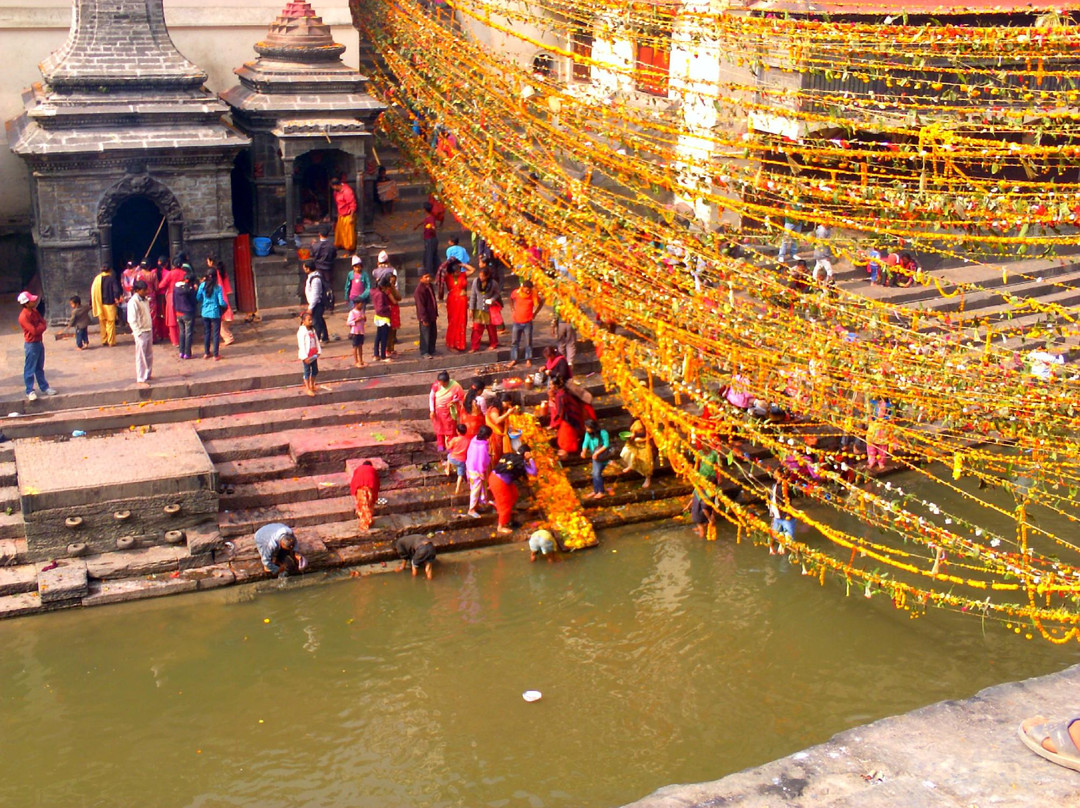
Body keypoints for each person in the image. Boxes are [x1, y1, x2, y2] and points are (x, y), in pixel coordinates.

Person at [488, 444, 537, 534]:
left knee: (514, 494)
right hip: (499, 483)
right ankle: (501, 526)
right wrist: (530, 459)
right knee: (505, 504)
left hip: (494, 477)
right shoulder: (521, 462)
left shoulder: (510, 455)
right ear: (526, 453)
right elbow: (534, 472)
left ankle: (505, 509)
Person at [17, 291, 55, 401]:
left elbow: (43, 323)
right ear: (26, 303)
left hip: (38, 342)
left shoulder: (34, 311)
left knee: (39, 368)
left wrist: (39, 326)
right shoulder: (23, 317)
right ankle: (29, 390)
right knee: (30, 368)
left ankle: (44, 387)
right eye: (31, 300)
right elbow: (34, 331)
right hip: (31, 344)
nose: (34, 301)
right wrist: (40, 327)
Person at [548, 376, 590, 459]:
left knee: (566, 436)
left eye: (551, 385)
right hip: (573, 415)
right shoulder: (563, 391)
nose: (550, 386)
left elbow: (560, 412)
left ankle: (567, 450)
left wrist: (554, 424)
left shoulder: (560, 396)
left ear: (556, 386)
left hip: (570, 418)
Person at [509, 279, 544, 367]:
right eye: (526, 289)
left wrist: (535, 313)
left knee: (528, 342)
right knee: (514, 342)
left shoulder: (534, 295)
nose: (528, 291)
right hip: (517, 321)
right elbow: (510, 298)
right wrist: (512, 309)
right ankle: (514, 359)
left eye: (529, 290)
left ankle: (528, 359)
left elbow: (540, 303)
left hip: (527, 322)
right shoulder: (516, 293)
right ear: (523, 287)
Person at [430, 371, 464, 452]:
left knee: (450, 429)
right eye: (440, 383)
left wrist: (453, 401)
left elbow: (461, 396)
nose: (441, 385)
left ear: (447, 382)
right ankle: (440, 444)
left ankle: (450, 445)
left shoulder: (455, 386)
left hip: (450, 410)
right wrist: (432, 410)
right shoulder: (436, 385)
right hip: (438, 411)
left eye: (443, 384)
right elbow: (431, 397)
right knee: (439, 428)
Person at [197, 270, 227, 360]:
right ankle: (216, 355)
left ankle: (206, 353)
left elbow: (198, 297)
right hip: (215, 312)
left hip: (205, 312)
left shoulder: (202, 286)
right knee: (216, 333)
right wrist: (225, 305)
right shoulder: (218, 288)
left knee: (207, 332)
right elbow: (221, 302)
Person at [469, 266, 500, 352]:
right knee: (476, 328)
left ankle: (493, 343)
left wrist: (492, 300)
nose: (481, 278)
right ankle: (474, 346)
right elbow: (473, 296)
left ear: (487, 276)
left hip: (489, 309)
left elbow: (497, 294)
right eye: (480, 276)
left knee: (491, 329)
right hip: (478, 309)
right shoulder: (476, 282)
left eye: (483, 276)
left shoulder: (493, 283)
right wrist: (471, 309)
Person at [128, 279, 153, 385]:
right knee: (140, 356)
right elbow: (132, 319)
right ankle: (141, 377)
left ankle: (148, 373)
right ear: (137, 290)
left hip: (148, 329)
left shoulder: (145, 299)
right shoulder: (133, 302)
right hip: (141, 332)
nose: (146, 292)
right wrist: (137, 332)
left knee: (148, 355)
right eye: (144, 290)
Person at [444, 260, 472, 351]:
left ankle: (460, 344)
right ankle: (451, 343)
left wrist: (463, 264)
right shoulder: (447, 277)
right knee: (453, 321)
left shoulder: (463, 275)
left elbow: (473, 270)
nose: (458, 273)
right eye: (456, 271)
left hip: (462, 301)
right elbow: (439, 275)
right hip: (452, 301)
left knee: (462, 321)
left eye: (459, 270)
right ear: (452, 272)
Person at [466, 424, 493, 518]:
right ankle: (471, 509)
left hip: (470, 467)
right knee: (475, 490)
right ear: (487, 436)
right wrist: (482, 472)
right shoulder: (482, 447)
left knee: (477, 488)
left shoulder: (474, 440)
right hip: (477, 471)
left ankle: (476, 506)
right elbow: (482, 461)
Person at [580, 418, 612, 498]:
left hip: (602, 456)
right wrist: (583, 451)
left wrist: (597, 453)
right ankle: (596, 490)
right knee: (595, 474)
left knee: (597, 474)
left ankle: (601, 491)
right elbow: (585, 442)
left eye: (588, 428)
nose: (586, 429)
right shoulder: (588, 434)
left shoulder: (603, 433)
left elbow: (606, 445)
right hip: (595, 456)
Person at [90, 265, 121, 346]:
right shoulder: (112, 279)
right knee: (110, 323)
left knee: (102, 323)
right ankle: (111, 341)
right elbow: (116, 290)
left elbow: (92, 291)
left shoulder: (97, 279)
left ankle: (104, 340)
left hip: (100, 304)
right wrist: (116, 298)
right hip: (109, 304)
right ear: (110, 270)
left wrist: (91, 303)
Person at [158, 260, 186, 347]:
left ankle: (175, 341)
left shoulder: (170, 273)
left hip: (171, 296)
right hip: (183, 296)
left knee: (172, 319)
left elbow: (161, 285)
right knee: (183, 318)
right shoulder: (184, 273)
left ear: (173, 265)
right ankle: (184, 339)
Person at [309, 225, 337, 314]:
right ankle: (330, 304)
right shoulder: (332, 246)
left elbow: (311, 254)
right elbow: (334, 255)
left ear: (319, 234)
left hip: (319, 268)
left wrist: (312, 245)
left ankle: (322, 304)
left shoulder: (316, 245)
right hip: (329, 268)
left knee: (319, 287)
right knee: (329, 286)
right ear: (328, 234)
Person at [620, 419, 654, 488]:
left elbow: (651, 434)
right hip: (634, 443)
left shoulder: (647, 420)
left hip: (645, 444)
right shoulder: (633, 419)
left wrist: (641, 439)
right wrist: (631, 436)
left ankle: (648, 478)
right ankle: (631, 465)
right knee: (626, 452)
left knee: (646, 463)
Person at [349, 460, 380, 533]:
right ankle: (367, 522)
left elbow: (353, 481)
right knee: (369, 504)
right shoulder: (373, 469)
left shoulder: (358, 469)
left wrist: (354, 493)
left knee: (362, 506)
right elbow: (377, 483)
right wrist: (375, 496)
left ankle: (365, 524)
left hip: (359, 489)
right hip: (369, 489)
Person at [173, 270, 198, 360]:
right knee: (188, 333)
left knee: (181, 333)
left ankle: (181, 352)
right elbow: (194, 301)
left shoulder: (176, 287)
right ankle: (187, 353)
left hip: (178, 312)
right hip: (188, 313)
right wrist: (194, 291)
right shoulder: (190, 290)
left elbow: (174, 300)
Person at [485, 393, 515, 464]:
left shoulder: (501, 408)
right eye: (507, 403)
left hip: (500, 434)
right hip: (494, 435)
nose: (508, 405)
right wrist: (507, 413)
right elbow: (497, 420)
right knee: (496, 454)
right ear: (502, 401)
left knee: (500, 453)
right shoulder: (494, 409)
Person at [414, 271, 438, 358]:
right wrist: (423, 318)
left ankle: (432, 349)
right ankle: (424, 351)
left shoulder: (430, 286)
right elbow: (420, 306)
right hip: (425, 316)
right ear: (420, 279)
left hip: (432, 314)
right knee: (425, 334)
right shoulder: (419, 290)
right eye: (425, 277)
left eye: (428, 276)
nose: (428, 279)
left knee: (433, 333)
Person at [330, 177, 357, 254]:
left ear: (336, 185)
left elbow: (352, 204)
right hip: (341, 214)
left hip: (348, 215)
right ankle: (341, 245)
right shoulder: (336, 192)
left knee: (348, 233)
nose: (333, 188)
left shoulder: (347, 191)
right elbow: (337, 203)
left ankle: (350, 248)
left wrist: (351, 217)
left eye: (333, 187)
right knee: (340, 232)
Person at [297, 310, 321, 397]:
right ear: (303, 321)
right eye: (309, 320)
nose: (311, 322)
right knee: (307, 371)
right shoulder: (301, 332)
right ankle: (308, 388)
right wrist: (304, 357)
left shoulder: (312, 330)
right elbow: (301, 345)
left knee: (315, 370)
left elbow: (316, 340)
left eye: (311, 320)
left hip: (313, 354)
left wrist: (319, 351)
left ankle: (312, 384)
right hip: (306, 356)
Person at [370, 277, 393, 362]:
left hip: (378, 317)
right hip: (383, 317)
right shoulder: (381, 294)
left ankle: (376, 354)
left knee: (378, 336)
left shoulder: (374, 292)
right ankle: (383, 356)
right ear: (383, 287)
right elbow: (380, 308)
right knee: (384, 337)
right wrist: (388, 307)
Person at [414, 201, 439, 277]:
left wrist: (432, 228)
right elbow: (424, 221)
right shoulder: (429, 217)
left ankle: (430, 273)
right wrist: (418, 225)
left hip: (430, 240)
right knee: (432, 255)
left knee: (429, 256)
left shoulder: (430, 219)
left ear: (425, 209)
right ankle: (437, 270)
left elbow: (433, 227)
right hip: (431, 239)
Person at [444, 423, 469, 497]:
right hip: (462, 460)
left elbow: (448, 447)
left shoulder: (455, 439)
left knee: (449, 456)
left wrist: (446, 440)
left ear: (457, 431)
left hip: (453, 458)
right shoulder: (468, 440)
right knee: (460, 475)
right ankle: (457, 489)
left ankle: (448, 470)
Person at [552, 303, 577, 370]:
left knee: (561, 344)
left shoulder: (558, 299)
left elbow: (555, 314)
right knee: (570, 344)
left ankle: (562, 362)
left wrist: (553, 326)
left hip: (561, 324)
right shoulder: (573, 298)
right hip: (570, 323)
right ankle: (570, 362)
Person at [347, 297, 366, 367]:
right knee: (355, 347)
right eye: (360, 304)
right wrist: (356, 320)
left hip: (361, 331)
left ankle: (361, 360)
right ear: (356, 304)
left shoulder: (361, 311)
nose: (361, 305)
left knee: (360, 346)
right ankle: (356, 361)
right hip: (355, 332)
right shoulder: (352, 312)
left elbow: (364, 320)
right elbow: (348, 322)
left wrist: (364, 318)